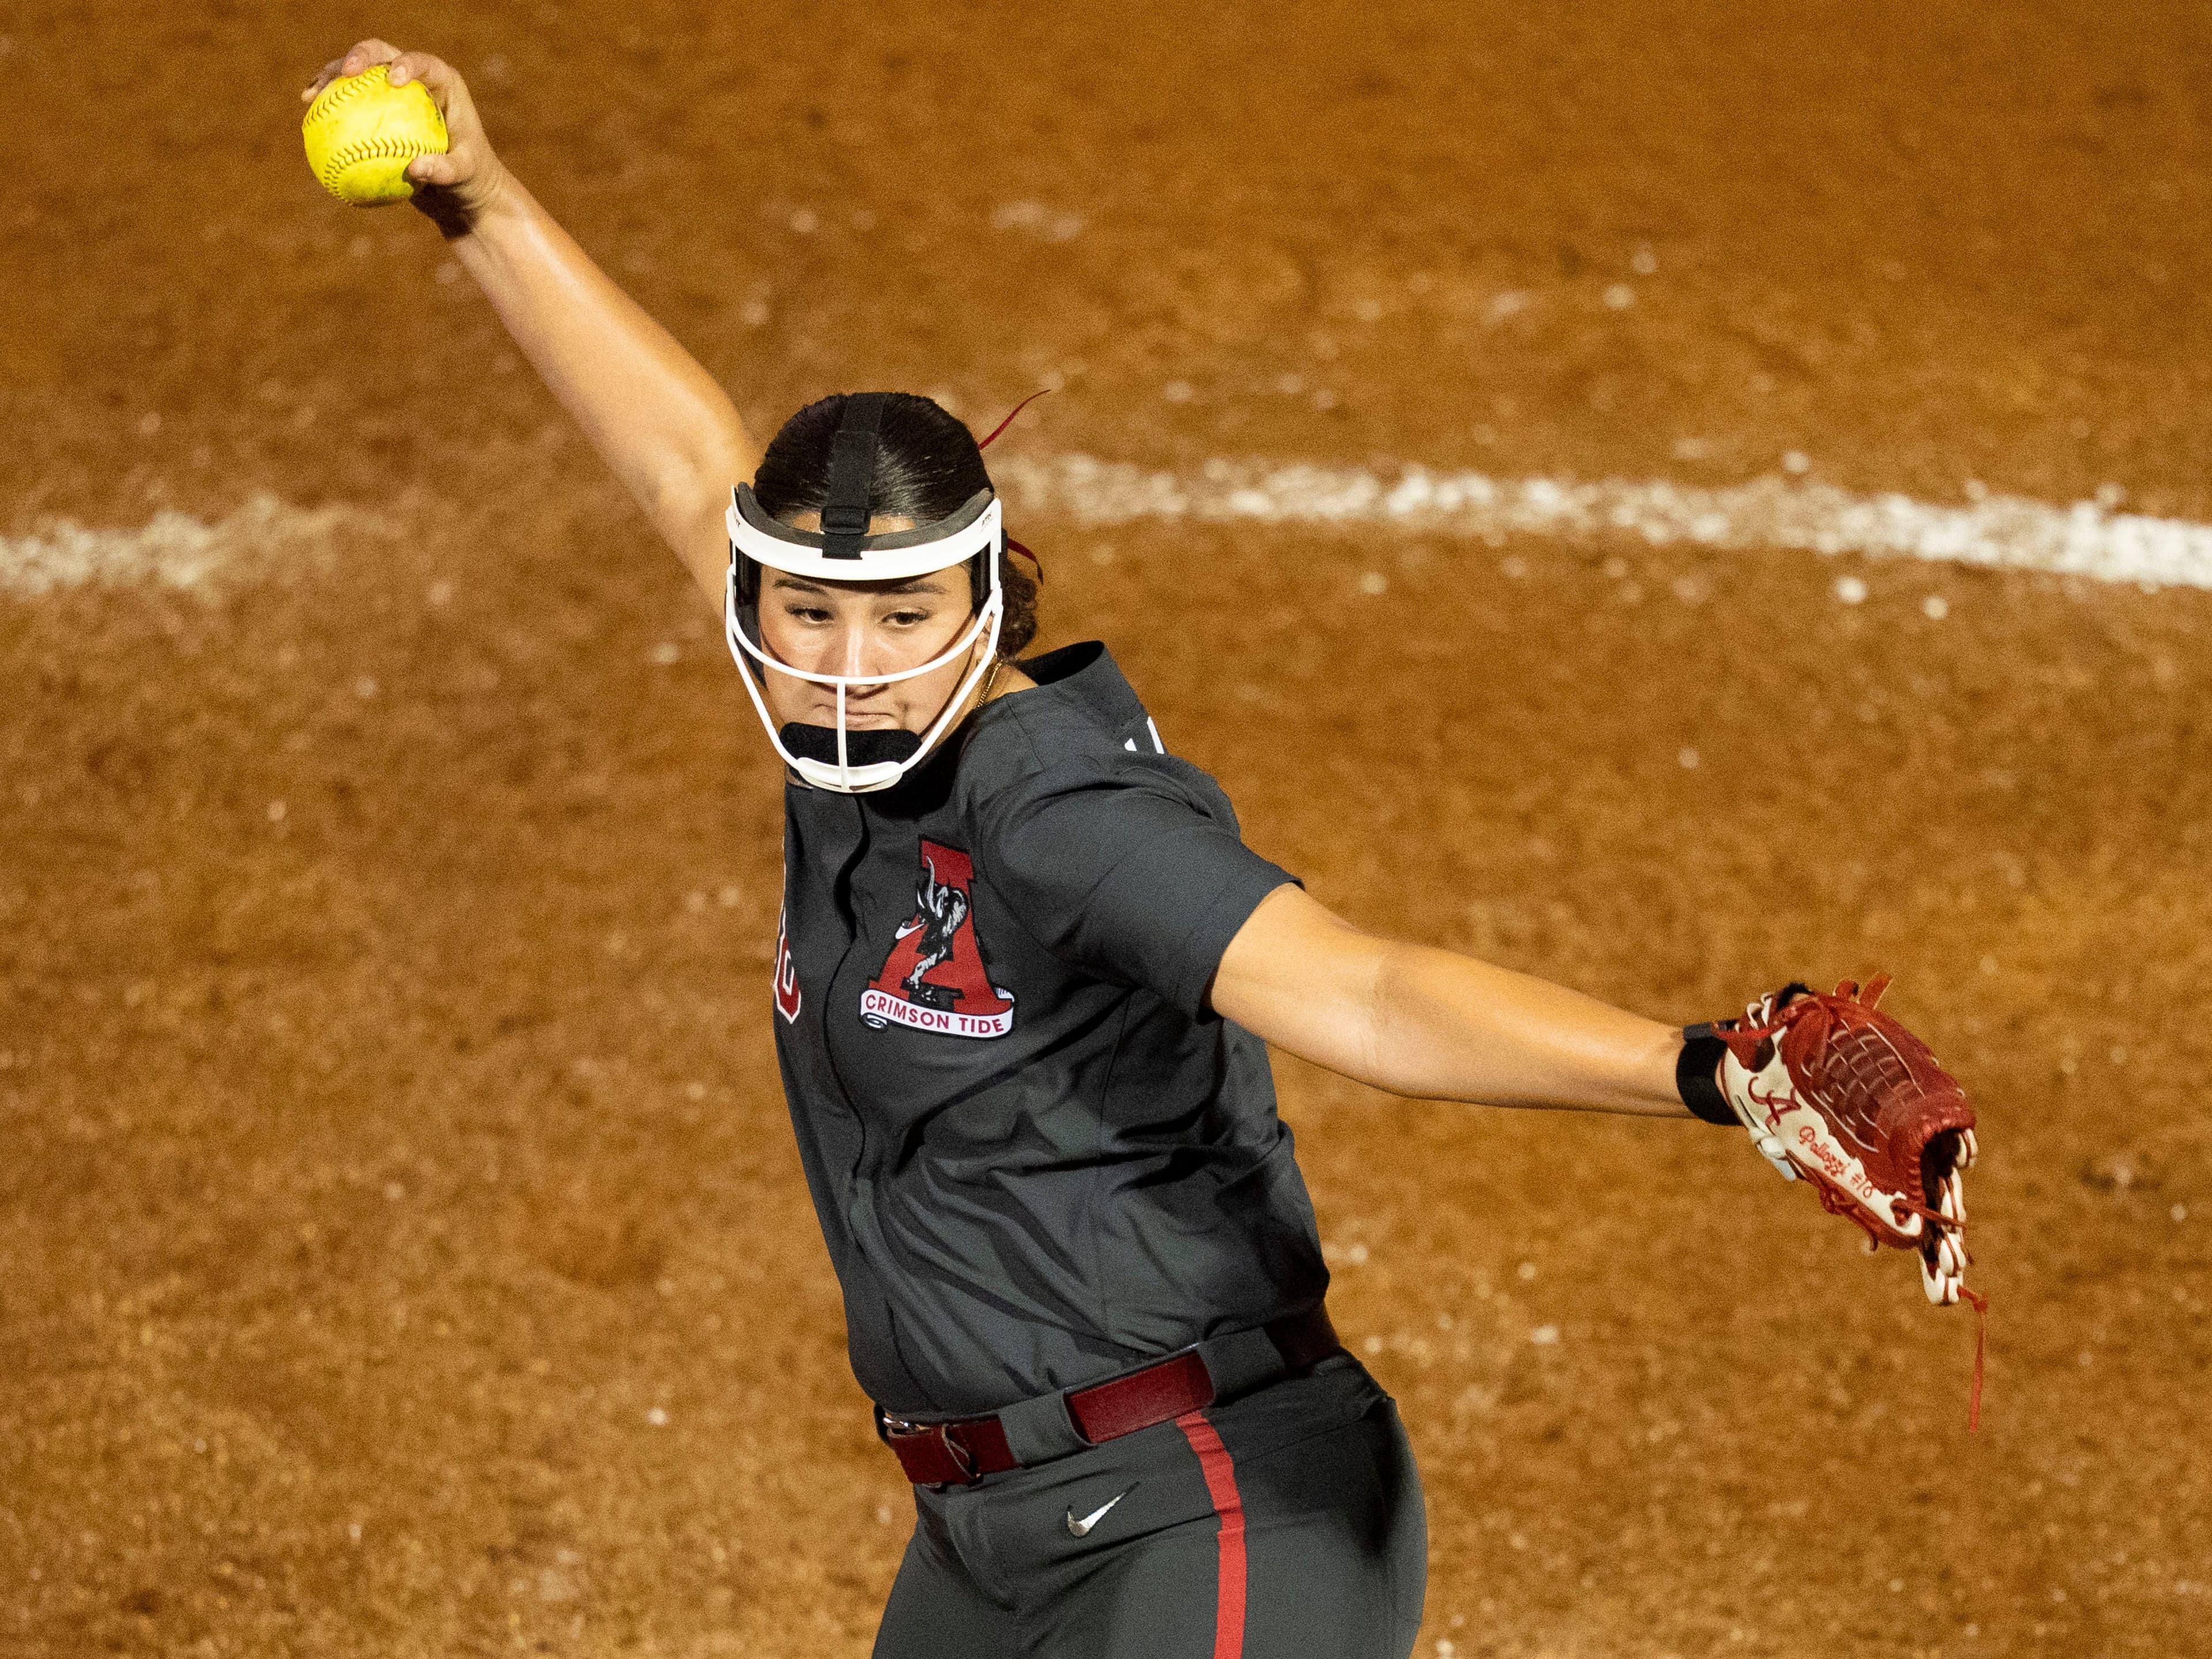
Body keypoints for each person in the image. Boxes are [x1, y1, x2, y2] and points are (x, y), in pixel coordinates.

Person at [301, 41, 1978, 1659]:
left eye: (899, 619)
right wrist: (486, 198)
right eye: (803, 612)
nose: (845, 662)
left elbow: (1369, 994)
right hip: (986, 1541)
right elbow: (683, 465)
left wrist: (1707, 1069)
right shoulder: (834, 713)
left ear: (985, 594)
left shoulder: (1056, 811)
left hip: (1214, 1514)